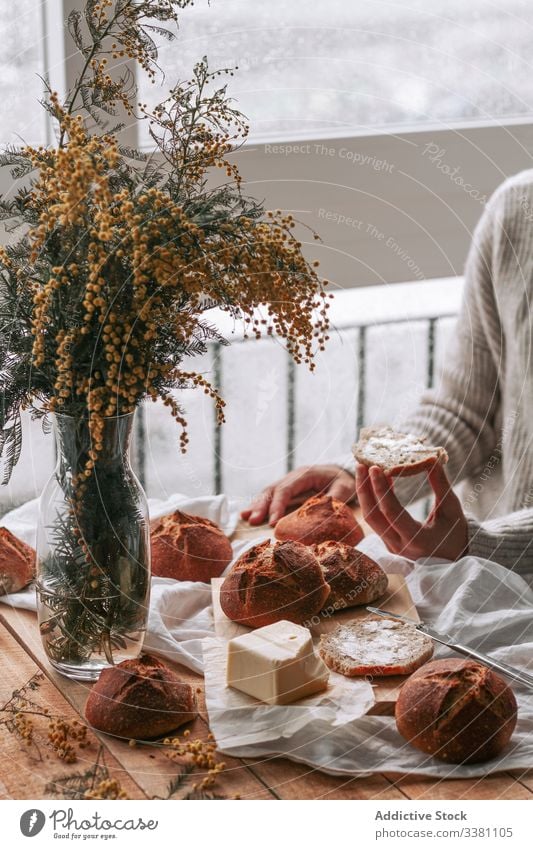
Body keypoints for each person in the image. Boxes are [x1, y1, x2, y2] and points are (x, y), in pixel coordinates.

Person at [241, 171, 533, 577]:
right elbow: (467, 412)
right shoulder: (519, 209)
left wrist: (483, 544)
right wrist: (364, 479)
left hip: (482, 559)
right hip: (471, 580)